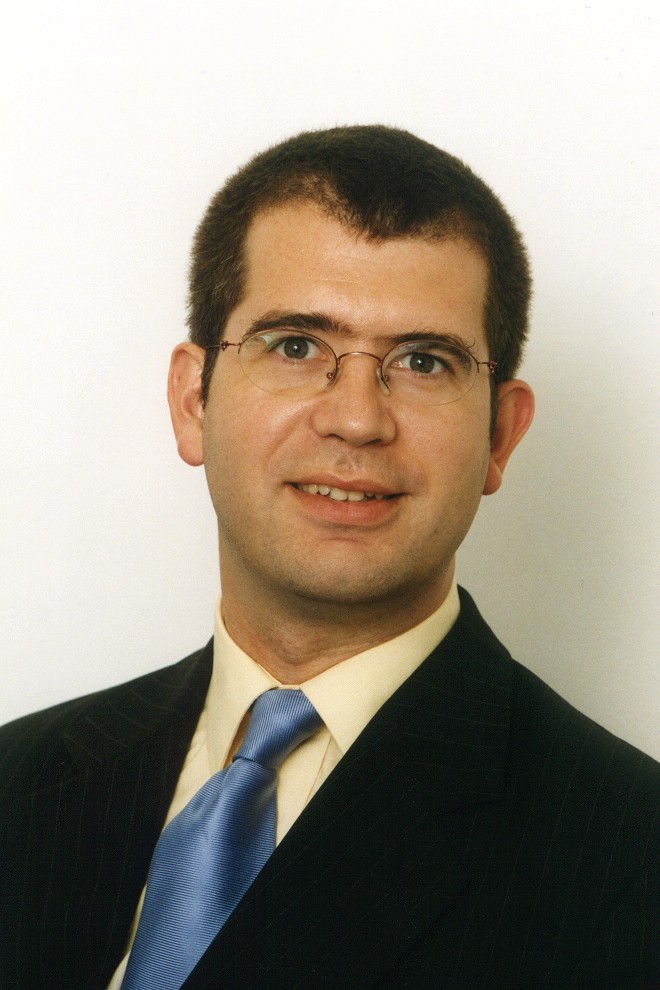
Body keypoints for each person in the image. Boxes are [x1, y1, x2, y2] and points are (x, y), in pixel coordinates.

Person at [0, 125, 657, 990]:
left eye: (423, 361)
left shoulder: (627, 859)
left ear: (501, 434)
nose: (356, 419)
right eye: (297, 346)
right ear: (193, 400)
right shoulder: (18, 782)